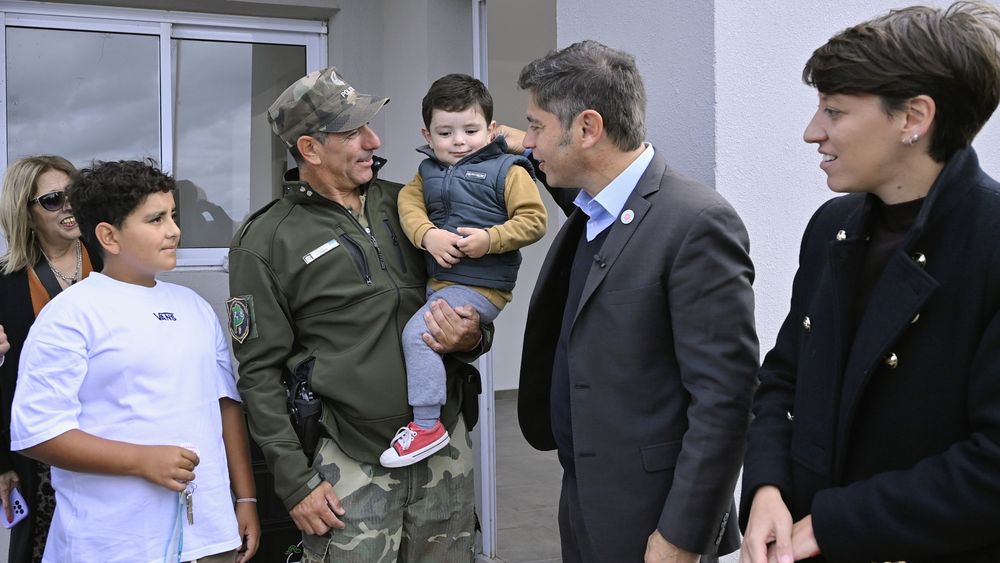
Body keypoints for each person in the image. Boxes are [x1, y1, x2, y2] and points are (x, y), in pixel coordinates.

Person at [739, 3, 1000, 562]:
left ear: (913, 117)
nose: (813, 132)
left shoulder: (991, 243)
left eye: (834, 111)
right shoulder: (832, 228)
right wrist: (765, 489)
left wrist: (831, 525)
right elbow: (784, 378)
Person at [228, 66, 489, 562]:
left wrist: (472, 337)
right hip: (348, 461)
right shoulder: (265, 240)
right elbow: (258, 374)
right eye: (352, 132)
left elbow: (473, 294)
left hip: (443, 445)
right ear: (309, 148)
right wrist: (295, 482)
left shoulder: (413, 203)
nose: (373, 140)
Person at [514, 40, 759, 563]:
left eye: (536, 126)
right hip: (583, 501)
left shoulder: (695, 223)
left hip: (652, 522)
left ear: (587, 128)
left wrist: (682, 537)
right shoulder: (593, 208)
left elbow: (724, 401)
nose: (528, 142)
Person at [8, 159, 260, 563]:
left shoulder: (195, 308)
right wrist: (141, 460)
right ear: (109, 235)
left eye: (173, 215)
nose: (174, 230)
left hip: (210, 536)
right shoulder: (70, 315)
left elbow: (225, 406)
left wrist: (245, 497)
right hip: (111, 543)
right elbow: (37, 433)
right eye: (156, 219)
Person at [380, 73, 546, 468]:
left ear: (491, 130)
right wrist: (429, 236)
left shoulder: (509, 170)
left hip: (481, 288)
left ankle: (426, 425)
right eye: (446, 132)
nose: (459, 141)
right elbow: (409, 208)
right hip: (442, 283)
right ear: (428, 133)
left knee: (418, 336)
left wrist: (490, 239)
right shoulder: (425, 174)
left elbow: (534, 220)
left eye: (471, 130)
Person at [0, 155, 103, 563]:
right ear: (25, 213)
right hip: (45, 448)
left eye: (73, 194)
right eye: (53, 200)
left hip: (117, 434)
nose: (69, 206)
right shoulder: (6, 282)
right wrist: (3, 462)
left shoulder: (112, 258)